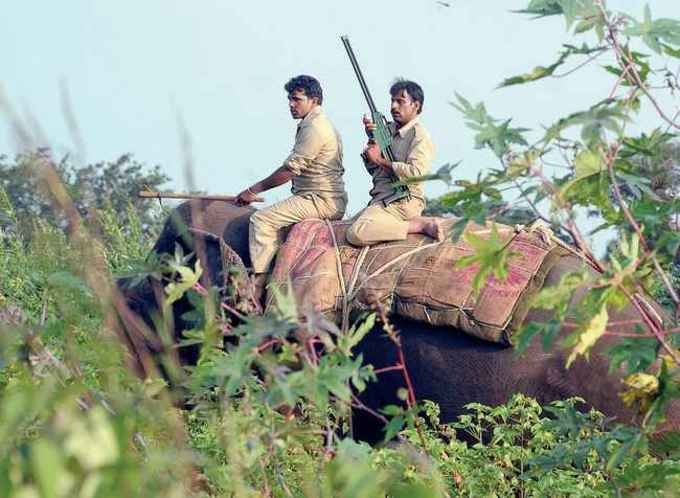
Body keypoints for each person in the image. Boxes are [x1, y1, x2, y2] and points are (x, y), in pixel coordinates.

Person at [235, 75, 347, 298]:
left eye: (296, 99)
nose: (291, 104)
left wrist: (252, 190)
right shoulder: (316, 123)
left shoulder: (315, 128)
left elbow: (289, 171)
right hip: (318, 198)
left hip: (318, 200)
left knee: (262, 219)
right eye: (289, 99)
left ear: (314, 100)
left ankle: (259, 285)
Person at [346, 79, 442, 246]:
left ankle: (420, 225)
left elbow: (417, 174)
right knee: (343, 228)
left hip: (402, 201)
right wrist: (372, 144)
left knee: (357, 233)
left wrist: (379, 159)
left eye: (401, 101)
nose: (394, 106)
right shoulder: (388, 130)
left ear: (416, 105)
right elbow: (376, 172)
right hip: (381, 199)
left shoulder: (420, 136)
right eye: (392, 101)